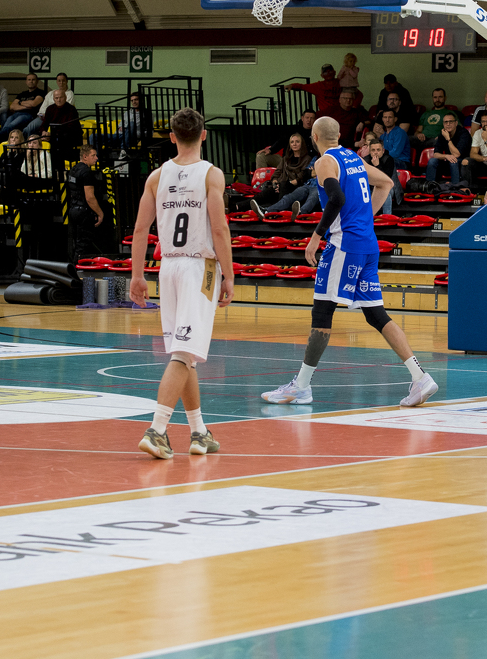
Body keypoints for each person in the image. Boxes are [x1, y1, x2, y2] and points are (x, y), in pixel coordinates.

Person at [261, 117, 438, 408]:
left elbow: (336, 198)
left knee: (322, 313)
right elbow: (385, 182)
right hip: (367, 244)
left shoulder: (325, 162)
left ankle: (301, 387)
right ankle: (420, 377)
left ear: (314, 136)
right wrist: (364, 219)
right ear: (339, 134)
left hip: (344, 245)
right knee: (376, 314)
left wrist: (316, 236)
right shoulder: (353, 158)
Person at [128, 108, 232, 459]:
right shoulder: (211, 174)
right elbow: (219, 228)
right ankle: (157, 430)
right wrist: (229, 274)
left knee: (185, 353)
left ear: (172, 137)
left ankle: (199, 432)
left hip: (168, 267)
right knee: (183, 353)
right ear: (204, 135)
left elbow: (140, 229)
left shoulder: (157, 176)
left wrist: (137, 275)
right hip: (199, 267)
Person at [251, 133, 312, 210]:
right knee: (265, 193)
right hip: (282, 186)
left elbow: (302, 177)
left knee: (283, 185)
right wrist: (275, 183)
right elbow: (276, 174)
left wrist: (282, 185)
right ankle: (238, 206)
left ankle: (274, 210)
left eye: (297, 142)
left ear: (302, 144)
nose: (294, 144)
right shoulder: (285, 159)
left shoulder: (307, 159)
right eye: (292, 142)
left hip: (296, 187)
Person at [69, 144, 106, 258]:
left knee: (75, 243)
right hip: (83, 212)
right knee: (83, 245)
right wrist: (100, 213)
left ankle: (74, 264)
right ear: (85, 157)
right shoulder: (87, 173)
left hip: (73, 210)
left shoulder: (73, 170)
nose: (96, 158)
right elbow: (89, 197)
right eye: (93, 155)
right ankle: (78, 267)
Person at [425, 115, 471, 186]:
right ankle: (429, 187)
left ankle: (455, 188)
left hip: (462, 163)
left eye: (451, 122)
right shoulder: (442, 134)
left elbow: (456, 154)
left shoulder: (463, 133)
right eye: (446, 122)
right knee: (432, 161)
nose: (448, 124)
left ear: (456, 123)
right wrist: (446, 156)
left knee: (453, 161)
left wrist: (448, 139)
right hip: (448, 162)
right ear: (443, 124)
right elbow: (436, 154)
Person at [0, 72, 46, 141]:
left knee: (11, 126)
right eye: (29, 80)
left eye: (33, 80)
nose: (31, 81)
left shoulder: (41, 92)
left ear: (37, 81)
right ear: (26, 82)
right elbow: (12, 106)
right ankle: (4, 142)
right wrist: (25, 106)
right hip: (16, 114)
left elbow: (33, 104)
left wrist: (20, 103)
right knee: (6, 125)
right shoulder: (22, 94)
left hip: (28, 115)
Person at [37, 89, 82, 156]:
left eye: (61, 97)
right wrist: (43, 132)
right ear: (53, 99)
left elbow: (70, 128)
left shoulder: (71, 109)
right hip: (54, 136)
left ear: (65, 98)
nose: (59, 100)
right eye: (56, 98)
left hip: (70, 137)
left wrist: (52, 135)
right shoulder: (50, 109)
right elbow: (44, 124)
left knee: (61, 139)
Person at [28, 72, 75, 136]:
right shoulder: (51, 93)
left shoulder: (70, 94)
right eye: (59, 81)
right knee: (28, 129)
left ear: (67, 81)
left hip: (58, 119)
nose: (61, 83)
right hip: (44, 117)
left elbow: (64, 108)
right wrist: (43, 131)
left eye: (63, 81)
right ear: (56, 82)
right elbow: (43, 107)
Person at [363, 137, 398, 215]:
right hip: (371, 187)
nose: (375, 152)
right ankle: (366, 217)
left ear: (383, 150)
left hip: (389, 187)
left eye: (378, 150)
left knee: (385, 193)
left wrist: (377, 166)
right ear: (369, 151)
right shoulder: (365, 160)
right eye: (373, 150)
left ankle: (387, 216)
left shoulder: (389, 160)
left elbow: (386, 180)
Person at [469, 111, 487, 183]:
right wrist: (484, 158)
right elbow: (473, 154)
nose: (485, 124)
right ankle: (469, 188)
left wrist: (486, 140)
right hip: (483, 162)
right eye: (483, 121)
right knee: (466, 162)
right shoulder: (477, 133)